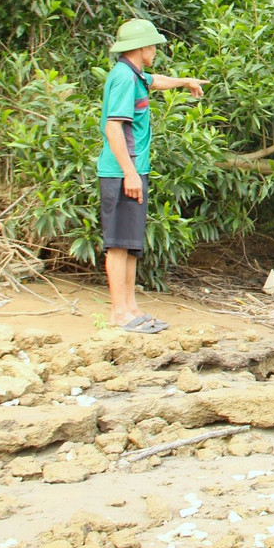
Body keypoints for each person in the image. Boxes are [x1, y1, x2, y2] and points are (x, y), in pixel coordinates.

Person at [97, 18, 206, 332]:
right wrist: (129, 173)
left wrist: (185, 81)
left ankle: (131, 308)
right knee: (118, 245)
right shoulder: (123, 78)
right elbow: (113, 127)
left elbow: (155, 81)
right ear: (142, 47)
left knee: (131, 245)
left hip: (134, 170)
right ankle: (119, 314)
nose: (156, 50)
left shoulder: (135, 75)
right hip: (122, 172)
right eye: (154, 45)